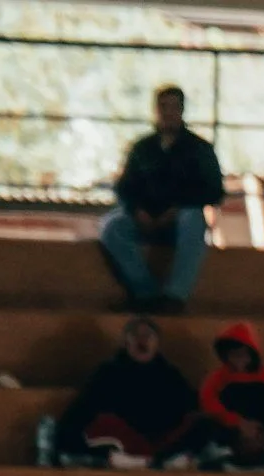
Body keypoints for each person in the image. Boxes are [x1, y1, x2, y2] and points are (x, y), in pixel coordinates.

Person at [99, 86, 224, 314]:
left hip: (181, 224)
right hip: (144, 220)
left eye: (174, 107)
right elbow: (125, 187)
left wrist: (178, 208)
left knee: (194, 219)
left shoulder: (200, 149)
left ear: (182, 110)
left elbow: (215, 190)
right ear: (156, 110)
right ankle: (146, 294)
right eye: (163, 107)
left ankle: (174, 297)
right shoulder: (142, 149)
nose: (168, 112)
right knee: (111, 227)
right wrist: (137, 210)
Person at [44, 316, 201, 468]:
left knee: (203, 425)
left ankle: (160, 460)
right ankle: (134, 461)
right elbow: (84, 407)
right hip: (119, 440)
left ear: (157, 343)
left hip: (160, 441)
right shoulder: (109, 372)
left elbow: (188, 408)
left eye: (148, 335)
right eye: (136, 335)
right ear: (127, 342)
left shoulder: (170, 374)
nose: (142, 340)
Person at [186, 321, 264, 473]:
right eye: (233, 354)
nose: (238, 359)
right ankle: (223, 461)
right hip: (227, 432)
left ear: (252, 355)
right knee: (206, 431)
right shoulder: (216, 378)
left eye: (243, 354)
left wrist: (259, 430)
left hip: (260, 432)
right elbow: (208, 403)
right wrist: (236, 422)